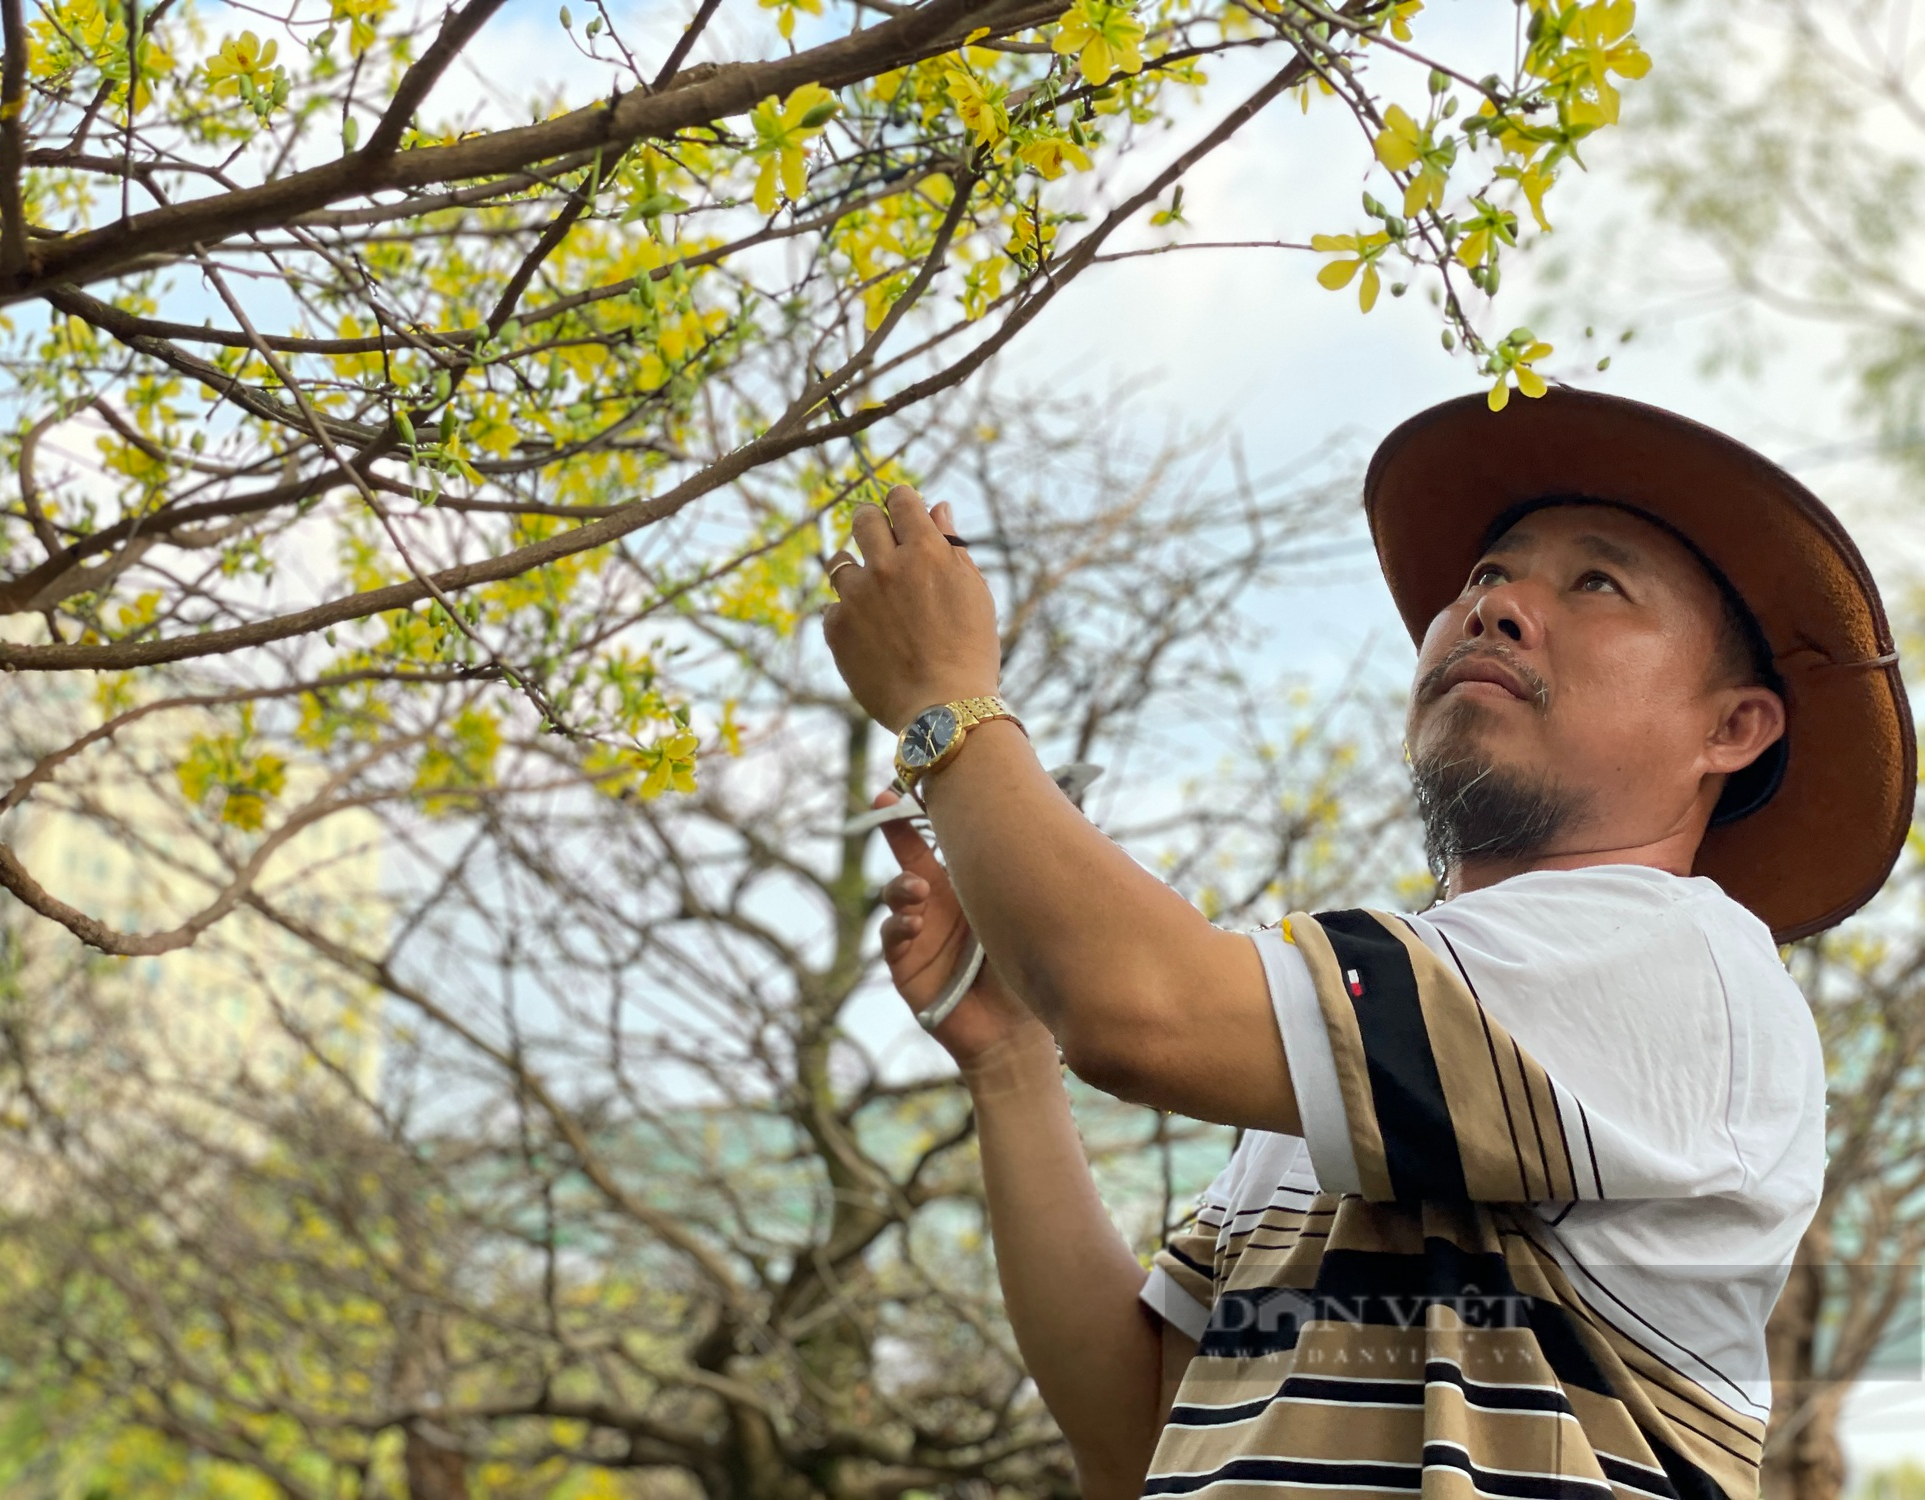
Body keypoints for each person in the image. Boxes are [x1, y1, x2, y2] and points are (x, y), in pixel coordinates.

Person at [819, 387, 1914, 1500]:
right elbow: (1142, 1430)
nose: (1496, 607)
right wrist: (1008, 1058)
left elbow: (1138, 1007)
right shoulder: (1364, 1051)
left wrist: (945, 706)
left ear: (1729, 728)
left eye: (1594, 582)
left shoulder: (1679, 960)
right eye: (1486, 575)